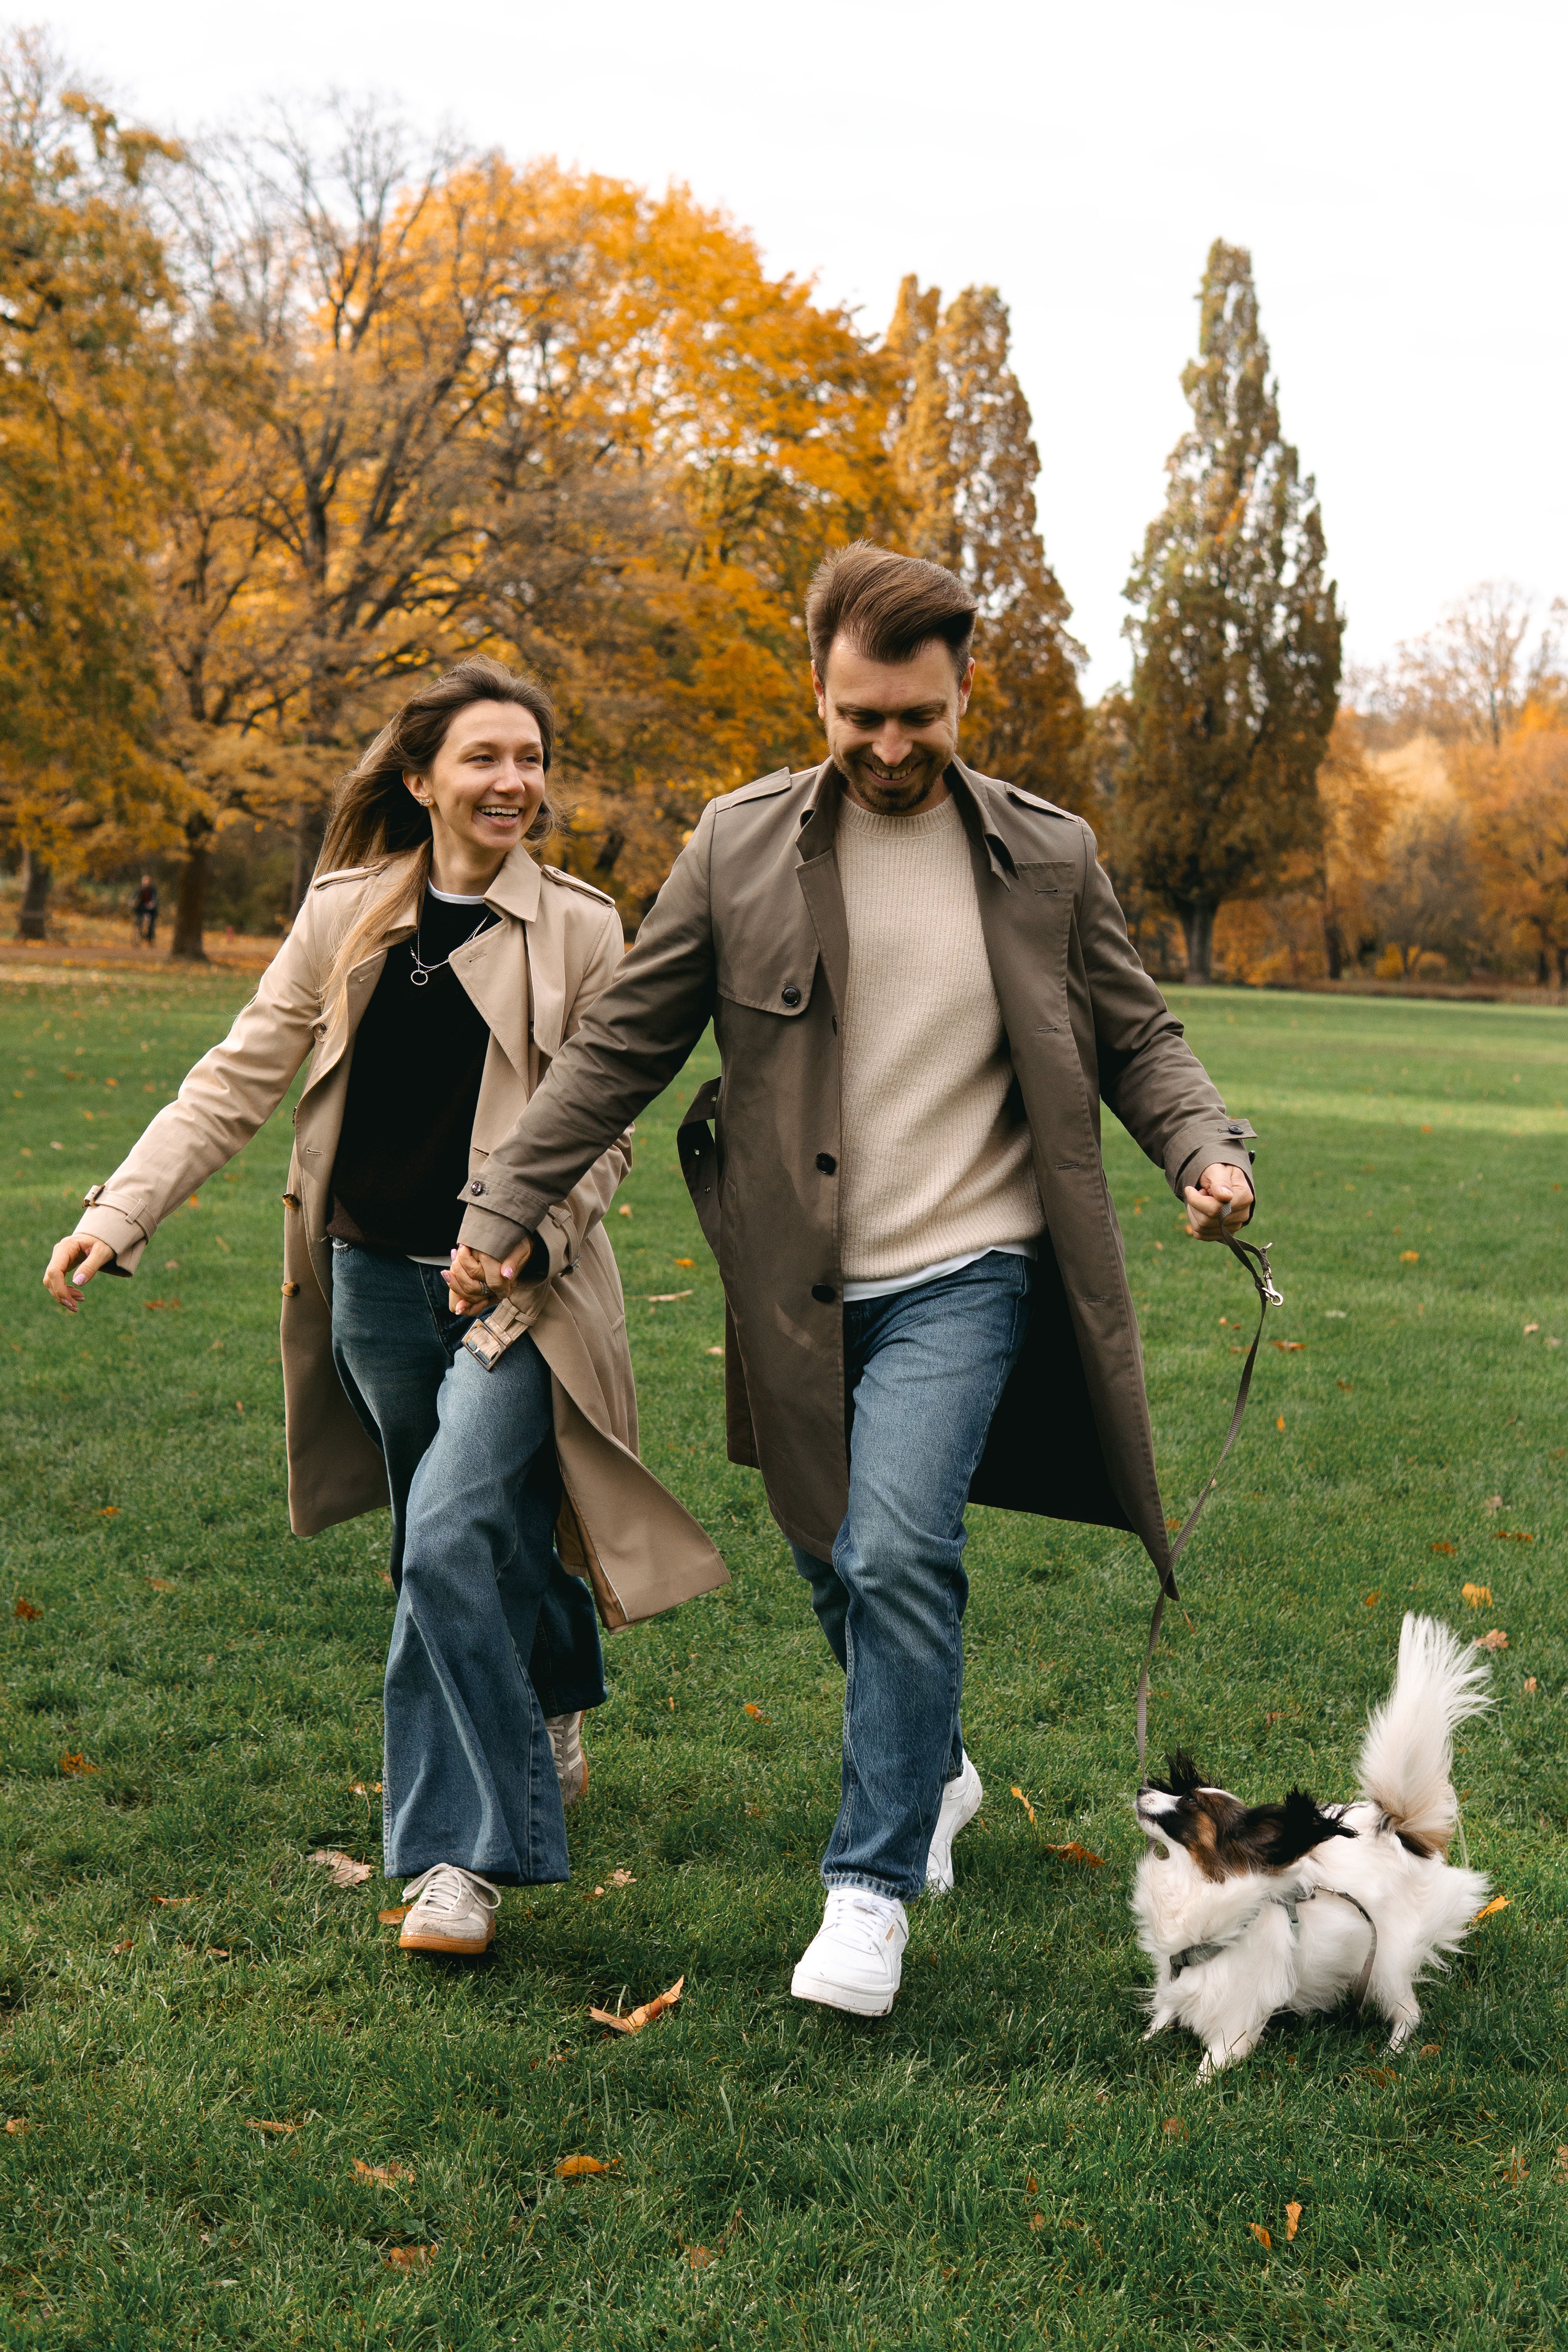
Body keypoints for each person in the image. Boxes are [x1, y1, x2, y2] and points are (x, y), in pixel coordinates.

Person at [445, 545, 1258, 2017]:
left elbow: (1136, 1033)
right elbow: (622, 1044)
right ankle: (930, 1768)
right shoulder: (737, 845)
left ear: (964, 695)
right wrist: (508, 1200)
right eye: (859, 716)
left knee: (893, 1550)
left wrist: (1200, 1146)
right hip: (796, 1290)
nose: (888, 747)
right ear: (816, 693)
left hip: (970, 1262)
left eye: (918, 717)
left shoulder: (1046, 854)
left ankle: (868, 1889)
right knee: (833, 1554)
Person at [43, 659, 725, 1958]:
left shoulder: (583, 930)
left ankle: (457, 1861)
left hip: (521, 1298)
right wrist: (122, 1209)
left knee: (449, 1534)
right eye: (484, 757)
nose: (514, 781)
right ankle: (555, 1687)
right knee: (457, 1532)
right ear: (421, 779)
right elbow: (236, 1076)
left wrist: (524, 1238)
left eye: (530, 758)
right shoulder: (346, 914)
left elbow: (607, 1131)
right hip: (368, 1286)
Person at [132, 875, 158, 945]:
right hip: (141, 909)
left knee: (151, 923)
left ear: (149, 881)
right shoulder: (140, 889)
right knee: (138, 922)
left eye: (147, 880)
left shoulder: (152, 890)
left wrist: (152, 903)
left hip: (150, 910)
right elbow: (134, 897)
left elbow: (154, 898)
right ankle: (138, 938)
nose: (145, 882)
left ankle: (150, 938)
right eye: (144, 880)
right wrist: (133, 902)